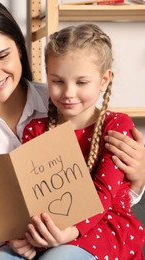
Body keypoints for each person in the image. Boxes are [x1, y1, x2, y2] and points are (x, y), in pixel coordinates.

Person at [0, 0, 145, 259]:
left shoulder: (62, 100)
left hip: (88, 236)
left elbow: (111, 196)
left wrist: (138, 179)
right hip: (20, 243)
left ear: (20, 49)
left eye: (2, 56)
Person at [19, 23, 145, 260]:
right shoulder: (34, 130)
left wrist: (70, 232)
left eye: (81, 82)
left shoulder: (116, 125)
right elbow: (29, 196)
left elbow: (104, 193)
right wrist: (25, 235)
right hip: (51, 226)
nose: (68, 92)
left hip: (105, 225)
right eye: (57, 81)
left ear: (104, 80)